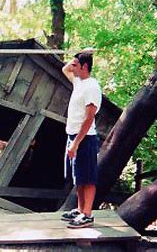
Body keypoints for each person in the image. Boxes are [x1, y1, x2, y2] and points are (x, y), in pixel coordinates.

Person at [60, 49, 102, 229]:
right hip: (73, 137)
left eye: (76, 64)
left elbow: (89, 117)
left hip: (85, 139)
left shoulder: (92, 86)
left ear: (85, 67)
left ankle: (87, 214)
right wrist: (79, 54)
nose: (72, 67)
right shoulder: (79, 82)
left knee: (88, 178)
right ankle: (79, 210)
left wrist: (76, 143)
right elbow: (65, 70)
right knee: (78, 177)